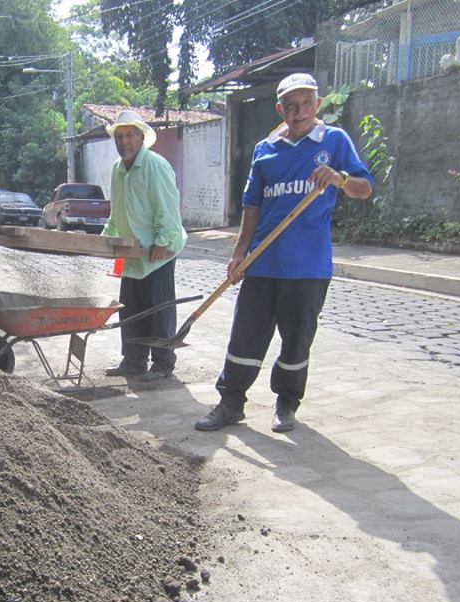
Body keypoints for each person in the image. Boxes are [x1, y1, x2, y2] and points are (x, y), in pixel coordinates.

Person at [195, 73, 373, 433]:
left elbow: (364, 188)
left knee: (296, 340)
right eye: (291, 105)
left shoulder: (334, 141)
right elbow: (251, 207)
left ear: (318, 105)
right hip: (261, 263)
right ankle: (231, 403)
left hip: (308, 267)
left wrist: (338, 178)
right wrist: (239, 253)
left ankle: (286, 405)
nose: (299, 111)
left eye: (306, 103)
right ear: (281, 109)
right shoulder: (266, 150)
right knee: (245, 336)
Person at [101, 109, 188, 381]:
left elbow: (168, 209)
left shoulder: (155, 165)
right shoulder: (117, 170)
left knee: (159, 310)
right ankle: (134, 361)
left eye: (129, 135)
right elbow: (117, 210)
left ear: (141, 138)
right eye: (120, 136)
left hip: (158, 252)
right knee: (132, 310)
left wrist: (162, 241)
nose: (124, 141)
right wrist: (106, 238)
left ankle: (163, 364)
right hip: (132, 252)